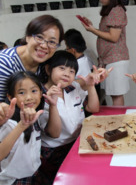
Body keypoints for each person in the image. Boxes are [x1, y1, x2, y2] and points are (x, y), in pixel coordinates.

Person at [0, 14, 64, 185]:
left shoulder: (43, 65)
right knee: (5, 175)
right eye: (40, 37)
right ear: (28, 36)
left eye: (52, 41)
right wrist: (0, 112)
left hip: (27, 125)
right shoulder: (3, 62)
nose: (44, 45)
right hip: (2, 131)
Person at [35, 51, 100, 184]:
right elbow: (54, 133)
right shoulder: (40, 96)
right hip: (54, 152)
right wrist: (53, 105)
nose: (67, 74)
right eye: (62, 68)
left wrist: (91, 85)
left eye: (71, 71)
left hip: (77, 143)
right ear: (48, 69)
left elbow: (93, 108)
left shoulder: (72, 87)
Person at [0, 71, 61, 185]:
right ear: (11, 97)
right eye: (21, 92)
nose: (29, 97)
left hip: (34, 173)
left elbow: (54, 134)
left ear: (41, 93)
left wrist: (53, 105)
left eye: (34, 91)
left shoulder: (35, 117)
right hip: (16, 180)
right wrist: (22, 126)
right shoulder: (10, 125)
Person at [79, 0, 129, 106]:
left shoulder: (117, 10)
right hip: (109, 59)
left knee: (116, 95)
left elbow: (113, 37)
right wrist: (92, 27)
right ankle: (117, 120)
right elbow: (107, 33)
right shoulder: (110, 11)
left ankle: (119, 122)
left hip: (115, 58)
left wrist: (92, 30)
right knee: (113, 94)